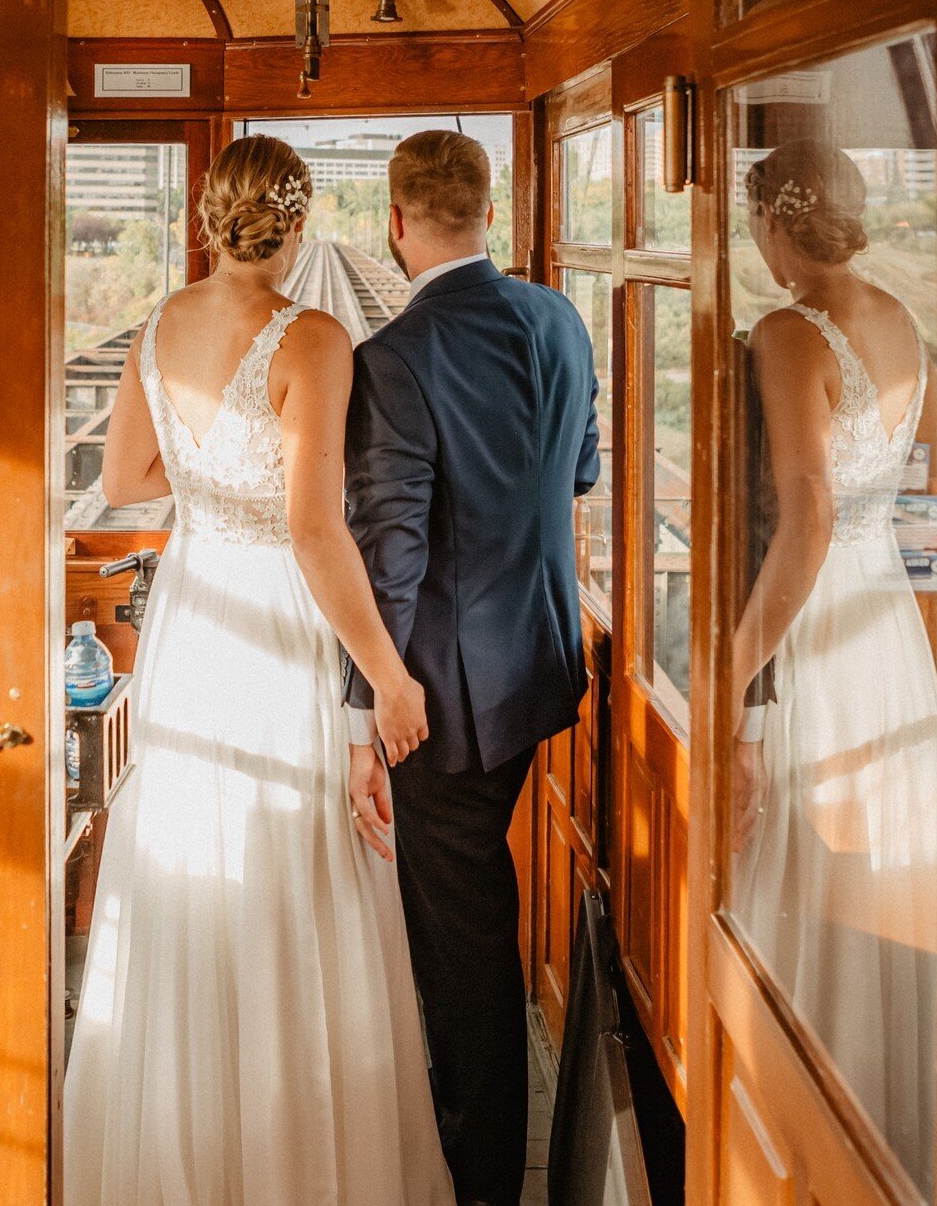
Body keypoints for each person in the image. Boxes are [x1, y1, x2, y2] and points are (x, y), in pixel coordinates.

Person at [64, 134, 454, 1206]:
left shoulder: (159, 325)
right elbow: (317, 531)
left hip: (194, 614)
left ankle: (191, 1156)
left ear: (206, 214)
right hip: (278, 620)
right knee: (298, 862)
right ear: (297, 221)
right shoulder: (312, 338)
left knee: (196, 850)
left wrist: (206, 488)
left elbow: (126, 475)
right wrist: (386, 674)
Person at [344, 130, 601, 1206]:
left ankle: (483, 1177)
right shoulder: (556, 317)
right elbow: (578, 467)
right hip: (537, 664)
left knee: (461, 950)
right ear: (485, 211)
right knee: (476, 916)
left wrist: (367, 710)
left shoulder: (395, 356)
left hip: (441, 700)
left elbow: (391, 551)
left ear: (396, 223)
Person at [729, 139, 937, 1199]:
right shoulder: (903, 320)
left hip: (815, 630)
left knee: (801, 875)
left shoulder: (783, 331)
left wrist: (733, 664)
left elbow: (804, 515)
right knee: (873, 877)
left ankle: (791, 1152)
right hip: (889, 633)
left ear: (776, 223)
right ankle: (884, 1135)